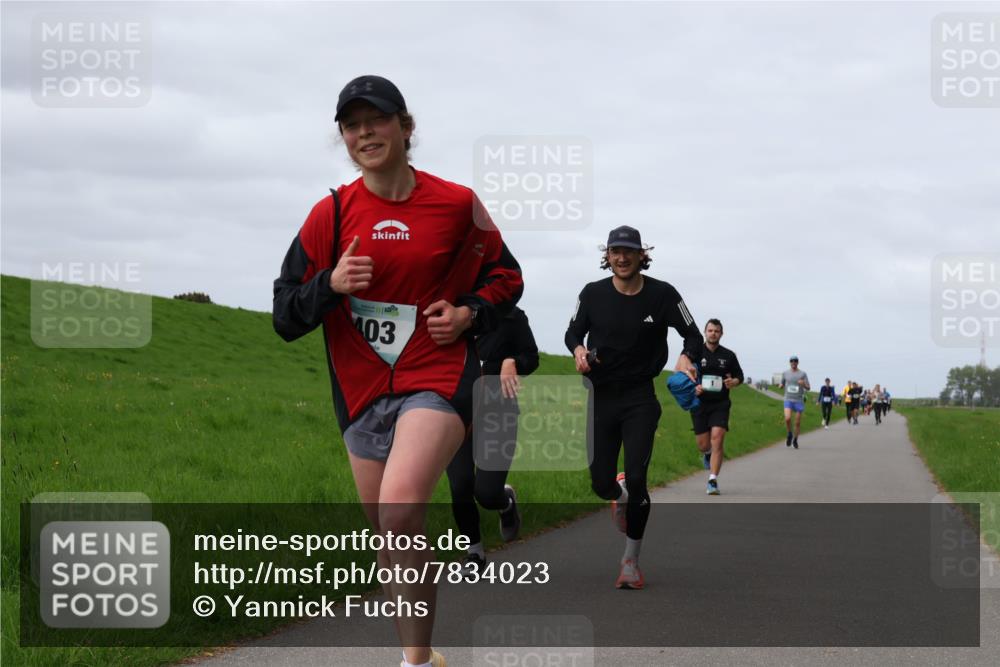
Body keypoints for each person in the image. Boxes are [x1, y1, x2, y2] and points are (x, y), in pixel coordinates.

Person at [272, 75, 523, 667]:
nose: (365, 133)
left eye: (377, 121)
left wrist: (468, 313)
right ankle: (423, 651)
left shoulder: (458, 204)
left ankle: (410, 665)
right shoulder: (328, 215)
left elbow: (507, 277)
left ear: (405, 128)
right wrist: (329, 286)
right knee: (392, 537)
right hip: (360, 394)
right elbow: (284, 314)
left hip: (436, 377)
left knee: (402, 504)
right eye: (352, 125)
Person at [565, 225, 703, 589]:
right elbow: (572, 332)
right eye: (615, 252)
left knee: (640, 479)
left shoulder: (663, 295)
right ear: (607, 256)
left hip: (640, 397)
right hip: (602, 396)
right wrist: (578, 350)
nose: (622, 258)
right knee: (600, 483)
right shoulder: (592, 294)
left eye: (629, 251)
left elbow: (693, 334)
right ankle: (619, 494)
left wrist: (686, 358)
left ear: (643, 255)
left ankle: (630, 562)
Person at [447, 305, 538, 575]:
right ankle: (473, 552)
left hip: (499, 412)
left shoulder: (510, 315)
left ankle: (505, 502)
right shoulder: (445, 312)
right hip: (452, 412)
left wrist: (513, 362)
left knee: (486, 493)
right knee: (460, 483)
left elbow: (531, 357)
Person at [691, 319, 744, 495]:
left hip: (720, 403)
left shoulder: (728, 355)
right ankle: (707, 454)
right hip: (699, 404)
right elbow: (685, 373)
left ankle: (712, 480)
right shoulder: (695, 353)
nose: (713, 333)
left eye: (717, 331)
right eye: (710, 330)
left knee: (717, 438)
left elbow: (740, 376)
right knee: (703, 444)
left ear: (721, 334)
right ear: (705, 332)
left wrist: (733, 382)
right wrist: (694, 385)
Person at [780, 356, 810, 448]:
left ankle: (795, 440)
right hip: (788, 399)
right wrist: (781, 385)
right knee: (787, 418)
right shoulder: (785, 373)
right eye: (792, 361)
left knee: (797, 423)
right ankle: (789, 434)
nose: (793, 362)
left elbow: (808, 387)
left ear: (798, 362)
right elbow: (782, 383)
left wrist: (803, 384)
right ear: (790, 362)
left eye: (795, 361)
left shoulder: (803, 374)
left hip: (798, 400)